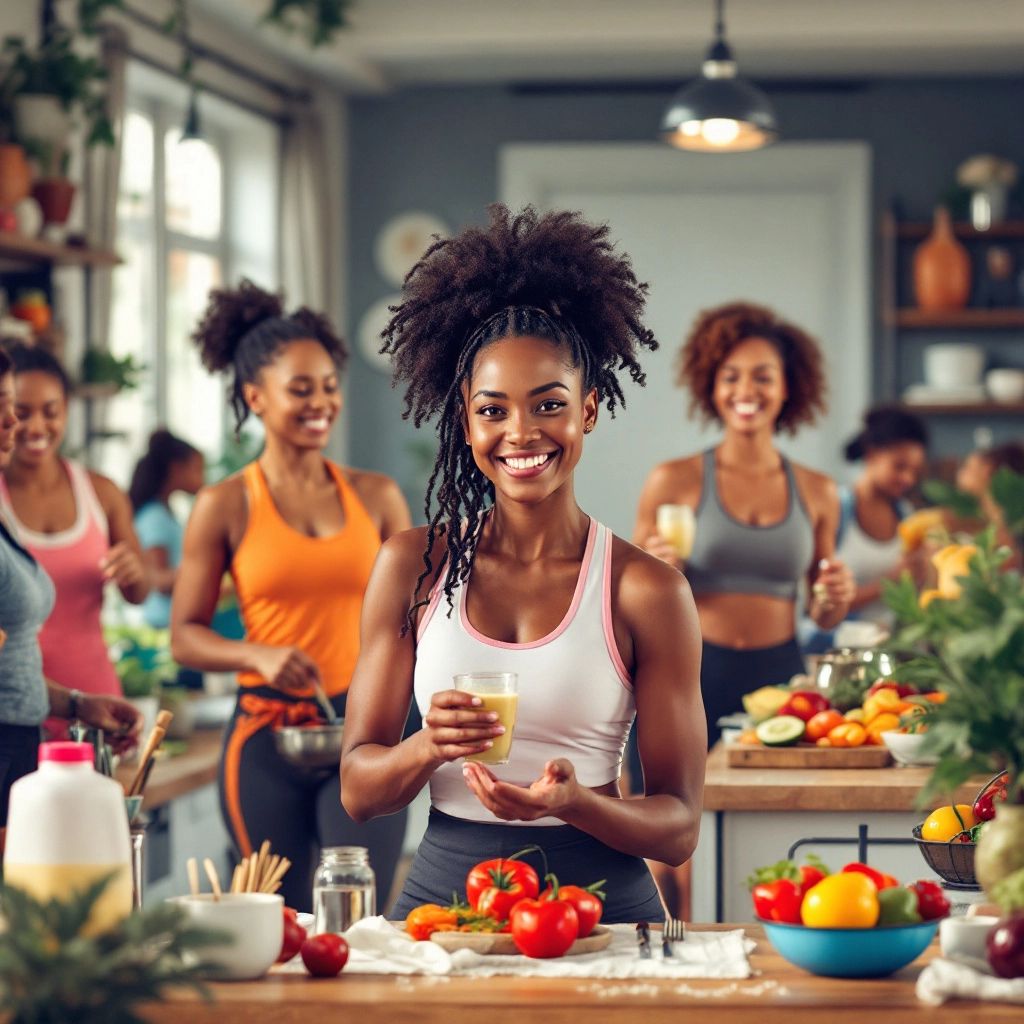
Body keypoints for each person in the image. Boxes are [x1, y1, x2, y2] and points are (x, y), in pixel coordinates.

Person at [340, 205, 706, 924]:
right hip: (442, 908)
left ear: (589, 411)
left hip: (603, 911)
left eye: (548, 405)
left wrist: (577, 804)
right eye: (493, 410)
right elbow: (359, 790)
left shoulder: (646, 589)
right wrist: (424, 748)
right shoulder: (412, 565)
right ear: (466, 421)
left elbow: (680, 825)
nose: (521, 433)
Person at [171, 280, 413, 912]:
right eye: (300, 389)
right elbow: (185, 636)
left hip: (365, 733)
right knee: (273, 924)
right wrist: (258, 656)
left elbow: (420, 614)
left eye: (329, 386)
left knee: (359, 922)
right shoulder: (222, 505)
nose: (321, 403)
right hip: (263, 739)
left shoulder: (377, 495)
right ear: (256, 397)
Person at [633, 301, 855, 920]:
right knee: (669, 856)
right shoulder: (672, 480)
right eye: (731, 376)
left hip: (780, 681)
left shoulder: (816, 491)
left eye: (762, 375)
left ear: (789, 387)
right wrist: (657, 573)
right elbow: (629, 608)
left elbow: (822, 606)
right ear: (711, 384)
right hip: (687, 675)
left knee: (759, 849)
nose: (746, 390)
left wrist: (832, 603)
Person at [0, 346, 142, 850]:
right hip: (18, 704)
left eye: (50, 410)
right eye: (18, 408)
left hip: (88, 698)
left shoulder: (99, 491)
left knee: (92, 863)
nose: (31, 424)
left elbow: (139, 589)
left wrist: (133, 569)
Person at [801, 406, 929, 652]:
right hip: (837, 656)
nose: (908, 479)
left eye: (915, 471)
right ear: (872, 455)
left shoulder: (907, 517)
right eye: (900, 466)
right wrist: (890, 581)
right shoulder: (835, 510)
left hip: (889, 656)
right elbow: (815, 605)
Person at [129, 430, 206, 630]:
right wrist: (206, 573)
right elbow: (159, 579)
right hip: (163, 626)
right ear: (176, 469)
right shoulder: (155, 518)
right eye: (198, 470)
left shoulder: (164, 513)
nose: (203, 479)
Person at [955, 441, 1024, 569]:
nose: (959, 475)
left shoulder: (1006, 527)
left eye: (967, 467)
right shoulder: (976, 516)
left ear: (987, 469)